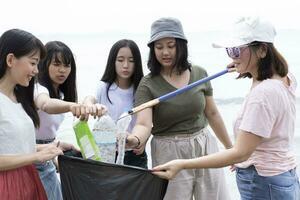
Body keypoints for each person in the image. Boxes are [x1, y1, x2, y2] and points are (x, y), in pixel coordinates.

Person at [152, 16, 300, 200]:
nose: (231, 56)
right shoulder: (285, 79)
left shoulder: (263, 94)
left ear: (262, 50)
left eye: (237, 50)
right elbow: (267, 75)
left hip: (263, 182)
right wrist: (244, 65)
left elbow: (240, 153)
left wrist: (182, 164)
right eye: (230, 50)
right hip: (284, 177)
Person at [126, 17, 232, 200]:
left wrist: (231, 150)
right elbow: (144, 124)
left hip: (204, 145)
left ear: (181, 46)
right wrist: (134, 139)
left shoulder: (199, 73)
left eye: (170, 45)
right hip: (169, 150)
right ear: (153, 50)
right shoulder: (148, 84)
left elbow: (212, 113)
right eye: (159, 47)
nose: (165, 52)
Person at [34, 41, 105, 200]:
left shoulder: (59, 96)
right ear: (44, 65)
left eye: (67, 65)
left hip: (47, 156)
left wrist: (63, 146)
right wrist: (74, 106)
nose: (62, 70)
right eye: (56, 64)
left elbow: (46, 134)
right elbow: (45, 104)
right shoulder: (38, 88)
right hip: (32, 157)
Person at [0, 29, 63, 199]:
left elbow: (12, 146)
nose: (36, 71)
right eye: (33, 63)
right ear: (11, 60)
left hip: (28, 179)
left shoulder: (18, 98)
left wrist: (48, 148)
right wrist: (36, 156)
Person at [84, 39, 147, 168]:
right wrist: (91, 106)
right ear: (113, 61)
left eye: (131, 60)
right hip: (106, 153)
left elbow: (148, 122)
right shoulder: (104, 87)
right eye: (120, 60)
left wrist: (144, 140)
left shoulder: (142, 89)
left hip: (134, 153)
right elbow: (89, 99)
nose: (125, 65)